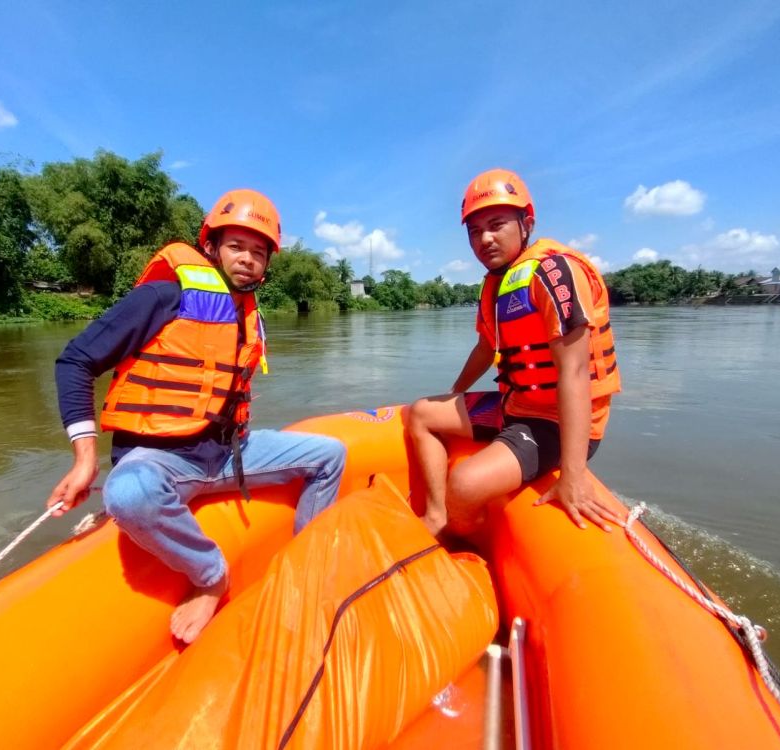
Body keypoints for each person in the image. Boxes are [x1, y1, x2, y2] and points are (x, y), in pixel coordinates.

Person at [46, 189, 346, 644]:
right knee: (126, 494)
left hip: (230, 454)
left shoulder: (248, 313)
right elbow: (75, 361)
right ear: (211, 247)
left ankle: (304, 565)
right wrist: (84, 458)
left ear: (267, 265)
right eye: (236, 246)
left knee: (331, 454)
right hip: (162, 460)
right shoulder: (161, 297)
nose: (247, 259)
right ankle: (210, 576)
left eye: (259, 252)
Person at [407, 168, 621, 537]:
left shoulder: (554, 274)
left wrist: (573, 475)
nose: (484, 239)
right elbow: (486, 347)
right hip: (516, 404)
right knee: (421, 413)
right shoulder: (497, 284)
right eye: (474, 231)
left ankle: (473, 545)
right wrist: (456, 394)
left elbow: (573, 373)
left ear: (527, 223)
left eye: (496, 225)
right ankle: (438, 517)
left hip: (557, 422)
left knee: (464, 483)